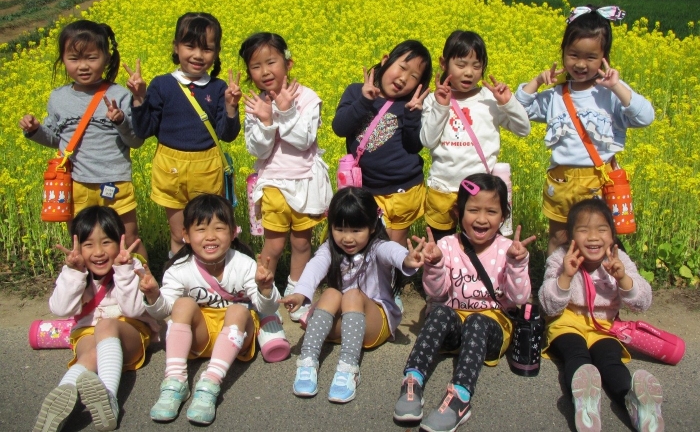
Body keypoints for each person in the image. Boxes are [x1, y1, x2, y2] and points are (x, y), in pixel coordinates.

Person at [393, 173, 535, 432]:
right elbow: (436, 293)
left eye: (491, 211)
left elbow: (519, 298)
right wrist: (435, 264)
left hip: (492, 328)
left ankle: (460, 397)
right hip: (456, 325)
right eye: (473, 210)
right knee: (438, 313)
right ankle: (412, 379)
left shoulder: (507, 249)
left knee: (477, 322)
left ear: (503, 216)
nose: (481, 219)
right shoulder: (448, 245)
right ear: (459, 213)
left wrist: (517, 263)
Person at [514, 6, 654, 255]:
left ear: (604, 58)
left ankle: (599, 279)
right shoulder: (556, 95)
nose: (580, 64)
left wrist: (617, 86)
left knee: (598, 240)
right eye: (573, 55)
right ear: (563, 53)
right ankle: (556, 279)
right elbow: (518, 108)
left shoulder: (609, 94)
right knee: (559, 237)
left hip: (597, 181)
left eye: (590, 57)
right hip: (561, 180)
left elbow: (645, 117)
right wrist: (537, 81)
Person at [138, 194, 282, 426]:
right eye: (201, 229)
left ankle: (210, 384)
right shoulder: (179, 269)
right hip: (199, 338)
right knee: (183, 304)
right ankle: (175, 382)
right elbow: (162, 312)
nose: (210, 236)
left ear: (233, 232)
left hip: (237, 337)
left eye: (219, 228)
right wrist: (153, 295)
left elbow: (267, 307)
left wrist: (265, 288)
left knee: (238, 310)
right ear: (186, 235)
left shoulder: (245, 265)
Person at [279, 187, 425, 403]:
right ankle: (307, 362)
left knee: (352, 295)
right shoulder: (330, 249)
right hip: (343, 325)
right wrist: (300, 294)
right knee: (330, 293)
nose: (347, 238)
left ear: (372, 227)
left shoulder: (378, 247)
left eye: (356, 230)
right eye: (339, 229)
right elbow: (315, 267)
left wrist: (407, 259)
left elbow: (392, 251)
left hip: (375, 325)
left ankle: (349, 368)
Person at [19, 20, 147, 259]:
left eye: (91, 58)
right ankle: (89, 280)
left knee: (128, 239)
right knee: (82, 241)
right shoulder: (58, 98)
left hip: (115, 182)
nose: (83, 66)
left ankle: (143, 280)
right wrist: (35, 130)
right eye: (74, 59)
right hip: (76, 183)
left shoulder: (119, 95)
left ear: (106, 58)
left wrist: (120, 120)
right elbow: (57, 140)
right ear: (62, 60)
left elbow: (135, 141)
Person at [538, 198, 662, 432]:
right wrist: (565, 276)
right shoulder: (560, 258)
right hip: (566, 322)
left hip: (603, 326)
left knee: (610, 361)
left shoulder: (619, 259)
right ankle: (585, 403)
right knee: (576, 355)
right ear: (570, 236)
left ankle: (634, 402)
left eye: (602, 230)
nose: (593, 237)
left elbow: (642, 303)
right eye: (584, 230)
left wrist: (623, 279)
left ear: (613, 235)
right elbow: (548, 305)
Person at [32, 206, 158, 432]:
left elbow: (132, 310)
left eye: (106, 242)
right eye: (89, 244)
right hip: (87, 335)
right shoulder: (74, 271)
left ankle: (109, 399)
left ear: (120, 241)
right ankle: (59, 403)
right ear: (78, 247)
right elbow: (60, 309)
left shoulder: (133, 266)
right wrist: (74, 273)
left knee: (106, 325)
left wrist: (123, 271)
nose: (98, 252)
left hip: (129, 333)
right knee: (90, 354)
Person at [126, 12, 242, 255]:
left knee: (208, 236)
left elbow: (227, 135)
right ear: (176, 47)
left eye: (207, 49)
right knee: (179, 235)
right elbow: (145, 129)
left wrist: (231, 106)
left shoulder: (218, 88)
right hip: (171, 167)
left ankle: (210, 276)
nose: (198, 55)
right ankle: (176, 276)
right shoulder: (162, 85)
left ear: (217, 52)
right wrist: (139, 98)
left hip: (207, 168)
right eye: (190, 46)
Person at [239, 32, 332, 323]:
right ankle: (263, 293)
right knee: (274, 245)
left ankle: (297, 292)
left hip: (305, 181)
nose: (265, 71)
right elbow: (257, 149)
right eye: (256, 66)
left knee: (302, 243)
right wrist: (266, 120)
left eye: (271, 62)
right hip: (273, 184)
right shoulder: (255, 103)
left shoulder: (308, 98)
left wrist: (285, 110)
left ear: (288, 63)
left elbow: (304, 140)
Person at [421, 30, 530, 242]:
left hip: (480, 192)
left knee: (481, 245)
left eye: (476, 66)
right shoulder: (434, 99)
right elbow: (428, 140)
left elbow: (523, 129)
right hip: (442, 188)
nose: (469, 73)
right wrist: (441, 107)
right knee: (441, 245)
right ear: (444, 63)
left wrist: (508, 103)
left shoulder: (489, 99)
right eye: (461, 65)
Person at [332, 40, 432, 246]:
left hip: (404, 190)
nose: (403, 78)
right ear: (386, 60)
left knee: (393, 249)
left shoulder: (409, 105)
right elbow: (340, 128)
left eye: (414, 77)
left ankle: (399, 268)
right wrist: (364, 101)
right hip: (367, 189)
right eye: (402, 67)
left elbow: (414, 146)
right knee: (368, 245)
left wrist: (413, 116)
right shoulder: (356, 91)